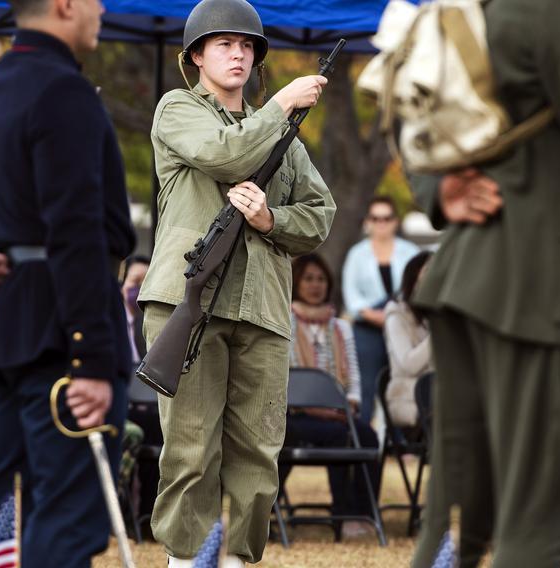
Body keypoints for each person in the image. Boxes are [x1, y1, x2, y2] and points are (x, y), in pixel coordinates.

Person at [408, 1, 560, 566]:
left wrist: (438, 192)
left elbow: (412, 109)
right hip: (540, 289)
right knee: (534, 528)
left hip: (464, 279)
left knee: (456, 531)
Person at [136, 0, 335, 564]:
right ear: (196, 55)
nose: (239, 54)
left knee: (258, 456)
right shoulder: (177, 109)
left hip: (263, 307)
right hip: (189, 303)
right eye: (225, 44)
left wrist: (272, 219)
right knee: (191, 450)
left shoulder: (287, 140)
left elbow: (321, 212)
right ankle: (184, 562)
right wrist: (280, 104)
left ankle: (240, 560)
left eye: (247, 46)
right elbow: (227, 154)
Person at [0, 0, 136, 565]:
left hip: (6, 330)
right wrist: (93, 359)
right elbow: (76, 230)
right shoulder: (64, 91)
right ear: (64, 5)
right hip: (62, 332)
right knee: (66, 519)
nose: (101, 8)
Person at [286, 254, 379, 540]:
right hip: (295, 415)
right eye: (309, 279)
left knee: (366, 435)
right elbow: (286, 379)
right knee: (338, 435)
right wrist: (317, 406)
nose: (316, 285)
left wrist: (347, 403)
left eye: (321, 279)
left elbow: (353, 383)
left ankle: (355, 515)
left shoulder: (341, 327)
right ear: (296, 283)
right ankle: (265, 512)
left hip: (338, 415)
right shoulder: (283, 321)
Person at [341, 196, 419, 424]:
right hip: (367, 331)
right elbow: (351, 296)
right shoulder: (356, 254)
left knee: (399, 385)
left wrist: (395, 319)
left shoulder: (410, 251)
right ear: (368, 221)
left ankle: (399, 442)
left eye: (386, 218)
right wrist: (376, 316)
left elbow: (415, 289)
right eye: (375, 218)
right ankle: (363, 444)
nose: (381, 223)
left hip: (403, 328)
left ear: (396, 221)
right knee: (366, 386)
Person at [383, 251, 433, 428]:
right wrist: (438, 334)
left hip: (442, 396)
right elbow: (410, 365)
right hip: (408, 399)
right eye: (428, 271)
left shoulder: (440, 316)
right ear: (414, 278)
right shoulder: (397, 315)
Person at [122, 255, 150, 365]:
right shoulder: (110, 320)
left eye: (147, 282)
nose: (141, 287)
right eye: (136, 280)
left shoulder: (154, 321)